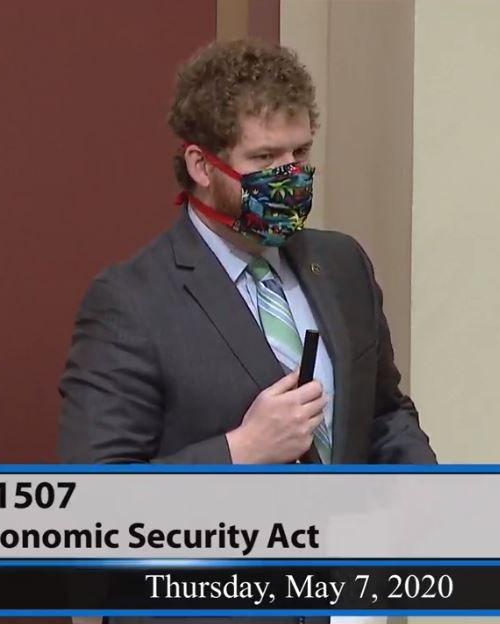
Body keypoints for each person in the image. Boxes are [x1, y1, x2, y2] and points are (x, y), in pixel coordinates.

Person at [57, 39, 436, 468]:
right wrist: (241, 450)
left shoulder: (342, 264)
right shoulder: (130, 303)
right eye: (265, 157)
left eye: (300, 152)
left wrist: (428, 490)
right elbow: (96, 486)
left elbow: (384, 415)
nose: (290, 176)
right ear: (201, 166)